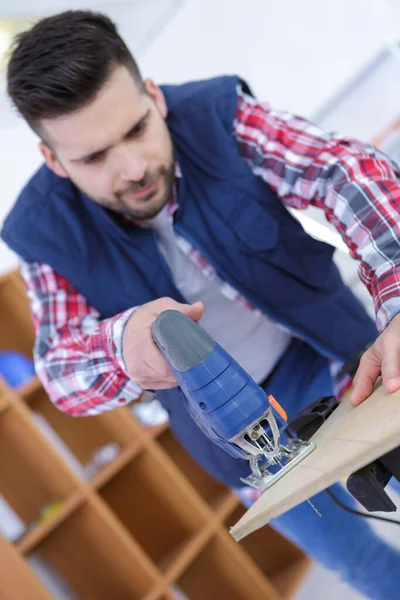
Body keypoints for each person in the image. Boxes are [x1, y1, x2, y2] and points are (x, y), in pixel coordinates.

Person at [3, 10, 400, 598]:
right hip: (237, 446)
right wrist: (120, 349)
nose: (133, 169)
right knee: (361, 565)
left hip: (340, 354)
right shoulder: (41, 231)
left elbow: (342, 170)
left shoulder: (219, 114)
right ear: (54, 161)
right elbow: (59, 371)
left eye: (136, 130)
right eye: (93, 158)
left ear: (155, 97)